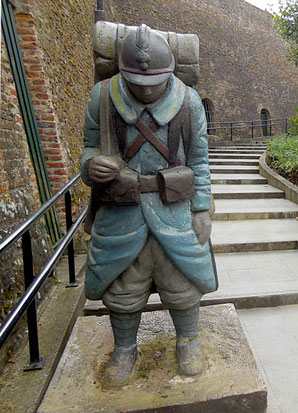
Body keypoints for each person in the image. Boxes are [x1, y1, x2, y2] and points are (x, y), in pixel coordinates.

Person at [80, 24, 217, 385]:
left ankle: (188, 339)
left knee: (182, 281)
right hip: (121, 207)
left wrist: (202, 207)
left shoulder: (188, 103)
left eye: (155, 82)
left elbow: (200, 160)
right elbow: (89, 148)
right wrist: (91, 166)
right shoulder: (102, 97)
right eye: (137, 83)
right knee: (123, 286)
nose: (146, 89)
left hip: (174, 208)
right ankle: (125, 347)